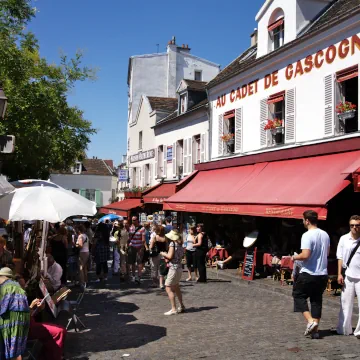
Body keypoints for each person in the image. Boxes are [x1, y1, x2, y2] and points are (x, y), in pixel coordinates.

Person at [291, 210, 330, 337]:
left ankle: (310, 321)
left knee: (298, 294)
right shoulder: (325, 234)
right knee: (316, 300)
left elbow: (305, 255)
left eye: (303, 220)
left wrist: (294, 258)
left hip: (309, 272)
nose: (303, 222)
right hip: (322, 273)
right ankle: (316, 331)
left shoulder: (307, 235)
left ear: (307, 221)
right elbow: (327, 253)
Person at [16, 276, 66, 360]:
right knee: (59, 331)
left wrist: (37, 309)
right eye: (21, 286)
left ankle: (50, 356)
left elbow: (28, 314)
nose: (24, 288)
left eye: (24, 285)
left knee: (58, 331)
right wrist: (31, 307)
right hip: (24, 330)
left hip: (30, 325)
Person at [335, 215, 360, 337]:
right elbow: (340, 257)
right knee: (345, 304)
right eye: (352, 225)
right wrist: (339, 273)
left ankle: (359, 331)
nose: (354, 227)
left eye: (357, 225)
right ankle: (344, 329)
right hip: (348, 276)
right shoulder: (343, 239)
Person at [0, 267, 30, 360]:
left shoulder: (3, 287)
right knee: (16, 351)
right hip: (23, 321)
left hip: (10, 320)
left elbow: (3, 308)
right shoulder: (17, 286)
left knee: (6, 349)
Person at [160, 230, 185, 315]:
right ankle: (181, 305)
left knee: (168, 287)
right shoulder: (180, 244)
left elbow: (170, 256)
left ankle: (173, 308)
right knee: (176, 286)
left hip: (173, 268)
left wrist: (163, 253)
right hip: (179, 267)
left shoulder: (172, 244)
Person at [128, 216, 146, 284]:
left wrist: (142, 248)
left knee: (139, 262)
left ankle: (138, 277)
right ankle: (133, 275)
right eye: (132, 220)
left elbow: (143, 239)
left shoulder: (142, 228)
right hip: (132, 246)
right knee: (132, 262)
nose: (133, 221)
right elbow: (129, 238)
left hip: (139, 247)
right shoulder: (131, 228)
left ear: (137, 220)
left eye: (134, 220)